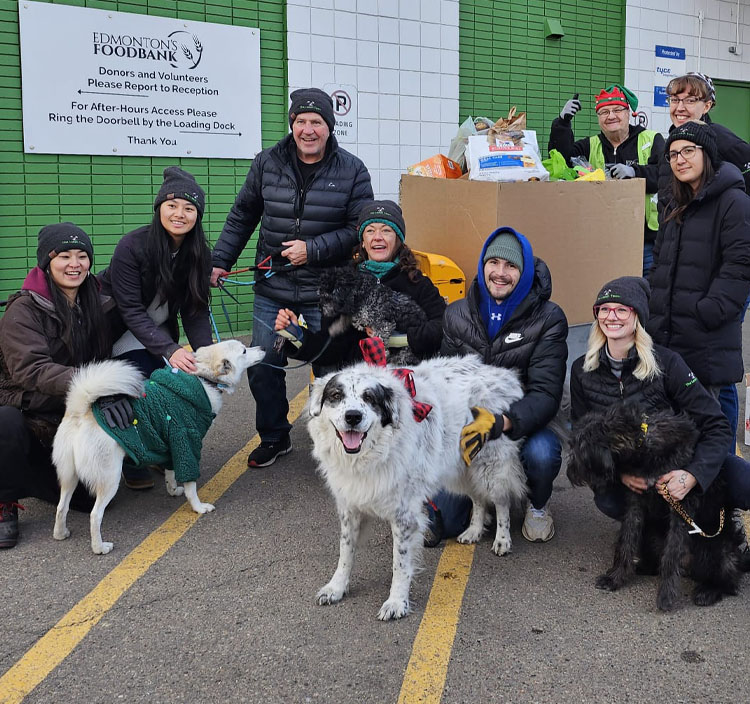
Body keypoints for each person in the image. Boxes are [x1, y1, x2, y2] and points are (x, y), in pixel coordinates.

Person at [210, 87, 373, 468]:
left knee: (330, 369)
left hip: (326, 292)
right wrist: (220, 260)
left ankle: (337, 445)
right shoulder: (267, 163)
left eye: (316, 121)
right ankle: (274, 437)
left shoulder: (352, 170)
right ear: (292, 124)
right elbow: (242, 215)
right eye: (301, 121)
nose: (308, 129)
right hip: (274, 287)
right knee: (265, 366)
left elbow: (359, 229)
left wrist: (312, 249)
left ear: (330, 127)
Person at [570, 276, 750, 522]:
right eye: (604, 309)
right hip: (635, 472)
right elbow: (582, 438)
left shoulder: (668, 362)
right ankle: (657, 527)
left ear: (638, 317)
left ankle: (707, 512)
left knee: (743, 478)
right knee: (610, 500)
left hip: (679, 461)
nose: (611, 317)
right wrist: (621, 475)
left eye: (622, 309)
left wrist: (692, 475)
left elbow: (716, 424)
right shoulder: (582, 369)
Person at [0, 223, 131, 549]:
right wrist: (98, 385)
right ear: (46, 261)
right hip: (27, 408)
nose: (75, 264)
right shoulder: (23, 309)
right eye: (64, 256)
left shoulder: (97, 303)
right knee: (5, 421)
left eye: (82, 255)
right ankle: (4, 498)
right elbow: (32, 370)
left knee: (98, 499)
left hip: (68, 416)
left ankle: (34, 476)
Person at [443, 227, 569, 543]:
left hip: (524, 420)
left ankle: (537, 504)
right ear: (482, 264)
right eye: (493, 262)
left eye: (511, 266)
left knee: (542, 454)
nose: (500, 273)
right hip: (469, 421)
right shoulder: (456, 314)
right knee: (442, 522)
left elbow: (545, 393)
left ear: (523, 271)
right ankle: (474, 507)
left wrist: (503, 422)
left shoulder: (549, 318)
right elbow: (446, 379)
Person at [99, 166, 213, 489]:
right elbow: (130, 310)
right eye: (172, 205)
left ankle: (157, 449)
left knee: (170, 387)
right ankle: (132, 456)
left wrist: (205, 356)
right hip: (117, 332)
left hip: (156, 333)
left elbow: (194, 310)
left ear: (197, 215)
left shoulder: (199, 253)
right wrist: (171, 350)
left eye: (189, 208)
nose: (180, 214)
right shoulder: (131, 247)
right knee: (139, 383)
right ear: (159, 207)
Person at [648, 120, 750, 453]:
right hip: (667, 338)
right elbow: (661, 265)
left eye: (688, 151)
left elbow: (739, 267)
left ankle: (724, 504)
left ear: (708, 155)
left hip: (705, 339)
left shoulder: (734, 202)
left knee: (706, 436)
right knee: (673, 436)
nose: (679, 159)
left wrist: (708, 311)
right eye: (673, 154)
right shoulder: (673, 205)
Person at [274, 200, 445, 367]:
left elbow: (443, 326)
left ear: (398, 240)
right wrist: (297, 335)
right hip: (360, 382)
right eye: (370, 231)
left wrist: (398, 338)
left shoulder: (417, 282)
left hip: (409, 374)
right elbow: (331, 348)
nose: (377, 237)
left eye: (386, 231)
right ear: (362, 241)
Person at [548, 84, 665, 275]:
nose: (611, 116)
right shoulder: (591, 145)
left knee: (646, 295)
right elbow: (561, 160)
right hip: (601, 239)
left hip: (645, 242)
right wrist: (563, 123)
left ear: (629, 113)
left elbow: (665, 175)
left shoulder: (651, 139)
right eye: (604, 112)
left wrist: (634, 172)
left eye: (617, 110)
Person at [657, 72, 750, 206]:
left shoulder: (719, 137)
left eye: (690, 100)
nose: (680, 108)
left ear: (706, 106)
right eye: (675, 100)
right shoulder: (672, 141)